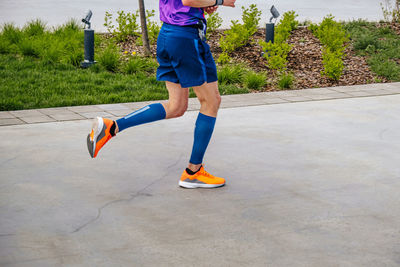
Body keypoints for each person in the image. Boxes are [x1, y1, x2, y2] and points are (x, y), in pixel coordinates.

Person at [87, 0, 236, 188]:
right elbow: (188, 0)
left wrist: (203, 4)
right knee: (211, 101)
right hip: (186, 37)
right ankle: (193, 171)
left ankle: (111, 127)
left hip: (169, 34)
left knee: (176, 107)